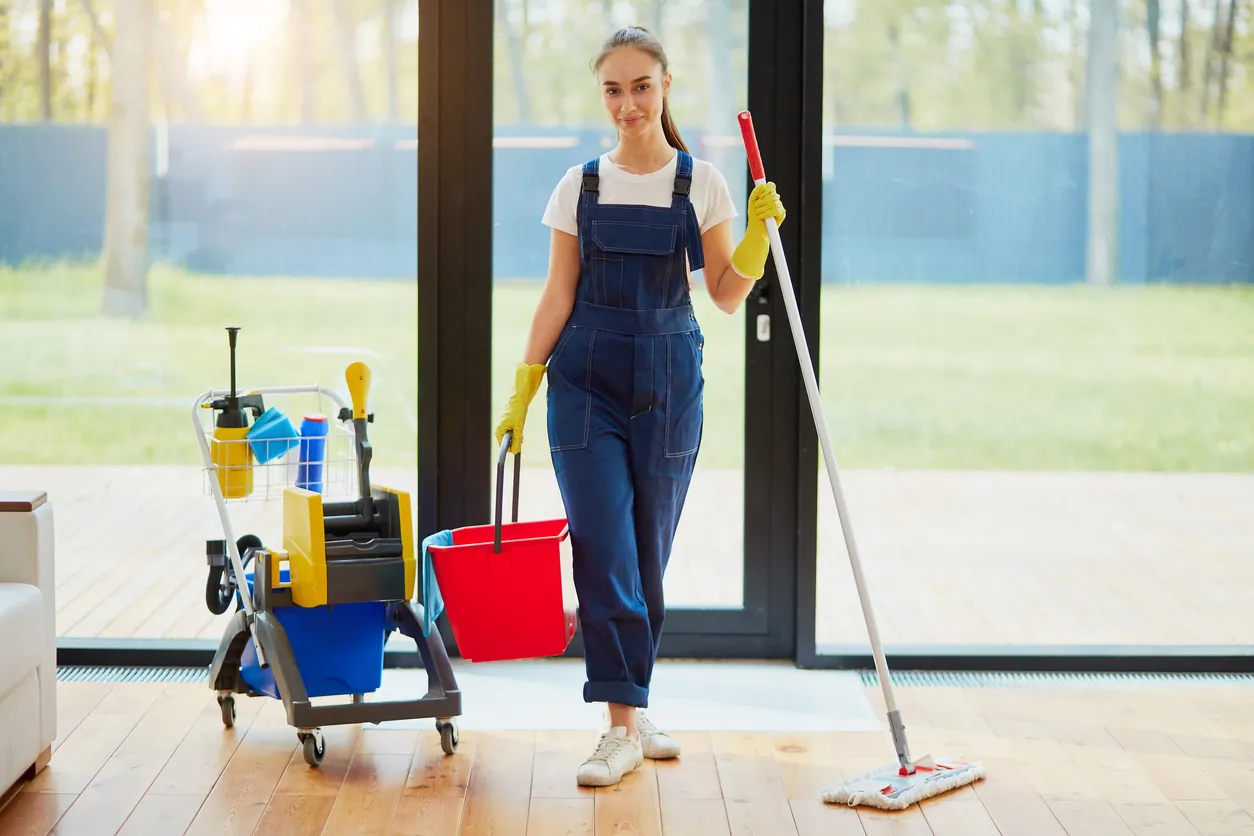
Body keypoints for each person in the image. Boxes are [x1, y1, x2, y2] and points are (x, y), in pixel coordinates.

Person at [494, 25, 787, 787]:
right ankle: (618, 728)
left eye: (641, 87)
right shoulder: (580, 185)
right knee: (604, 548)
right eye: (613, 90)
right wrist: (525, 384)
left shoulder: (702, 184)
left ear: (665, 88)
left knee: (647, 551)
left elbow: (724, 297)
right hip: (584, 382)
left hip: (668, 382)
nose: (627, 104)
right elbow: (559, 294)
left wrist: (757, 238)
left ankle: (634, 697)